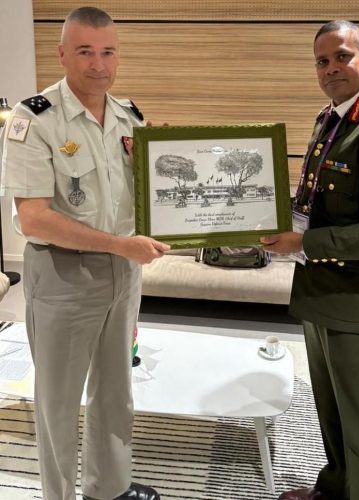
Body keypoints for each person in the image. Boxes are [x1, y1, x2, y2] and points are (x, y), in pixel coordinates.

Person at [0, 7, 170, 500]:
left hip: (123, 277)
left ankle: (108, 489)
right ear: (62, 54)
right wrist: (121, 245)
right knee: (57, 402)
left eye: (108, 51)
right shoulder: (35, 119)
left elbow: (145, 196)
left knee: (117, 392)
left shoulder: (129, 116)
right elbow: (33, 218)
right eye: (86, 51)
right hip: (61, 278)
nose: (99, 64)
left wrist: (158, 163)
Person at [261, 20, 359, 500]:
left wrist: (303, 245)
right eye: (322, 61)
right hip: (320, 293)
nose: (331, 68)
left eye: (342, 57)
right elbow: (319, 202)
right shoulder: (330, 119)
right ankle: (334, 490)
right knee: (330, 412)